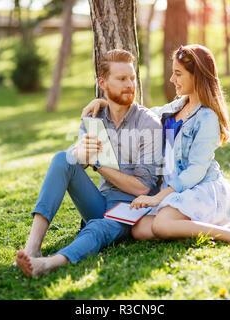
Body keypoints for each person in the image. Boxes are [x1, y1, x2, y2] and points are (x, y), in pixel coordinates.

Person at [81, 44, 230, 246]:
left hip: (199, 189)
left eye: (178, 74)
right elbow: (140, 114)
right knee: (139, 230)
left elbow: (195, 172)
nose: (172, 80)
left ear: (196, 76)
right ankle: (220, 229)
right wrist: (103, 103)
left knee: (162, 225)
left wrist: (158, 198)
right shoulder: (175, 107)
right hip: (173, 192)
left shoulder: (207, 118)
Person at [15, 49, 163, 277]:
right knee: (62, 159)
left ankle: (48, 264)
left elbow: (143, 188)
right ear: (103, 82)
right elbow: (72, 163)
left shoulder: (148, 123)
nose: (130, 84)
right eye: (122, 79)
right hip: (99, 202)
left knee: (98, 228)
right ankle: (33, 246)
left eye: (132, 78)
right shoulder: (95, 117)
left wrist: (98, 165)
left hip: (132, 209)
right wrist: (79, 153)